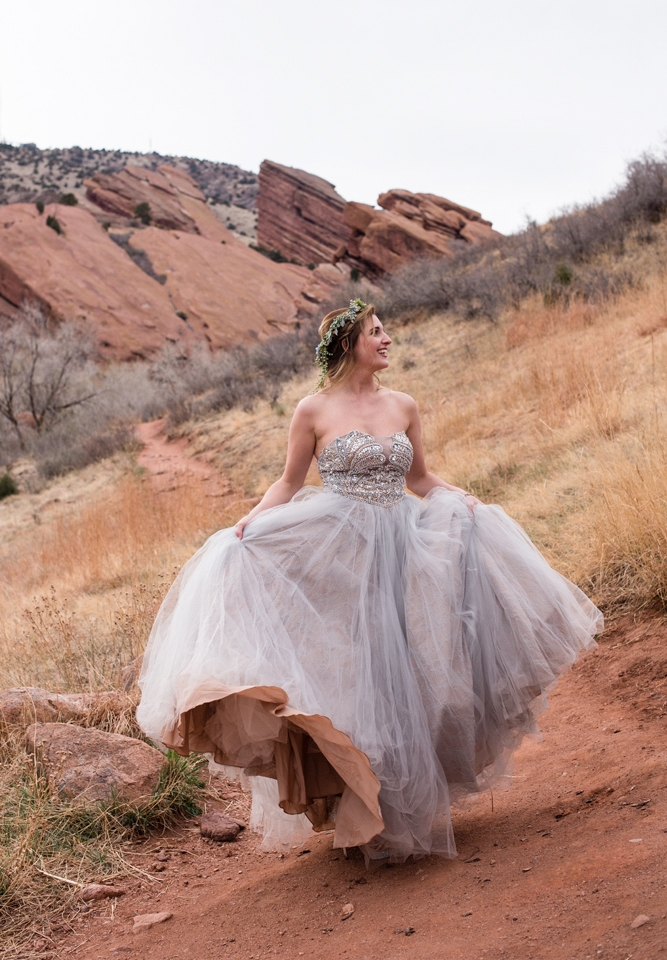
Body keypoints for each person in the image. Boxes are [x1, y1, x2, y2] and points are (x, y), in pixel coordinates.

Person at [137, 299, 602, 863]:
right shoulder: (312, 410)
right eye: (375, 332)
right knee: (359, 673)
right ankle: (360, 799)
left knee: (417, 667)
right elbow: (288, 484)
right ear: (348, 343)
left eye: (384, 331)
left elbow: (422, 478)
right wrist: (251, 522)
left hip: (406, 546)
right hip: (342, 552)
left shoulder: (403, 404)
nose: (386, 339)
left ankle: (411, 795)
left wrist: (464, 502)